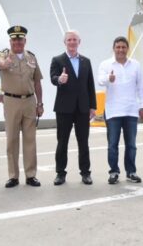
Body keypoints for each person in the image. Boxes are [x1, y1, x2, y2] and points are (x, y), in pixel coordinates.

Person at [0, 25, 44, 188]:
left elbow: (37, 81)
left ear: (25, 41)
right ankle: (13, 176)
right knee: (12, 139)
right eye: (14, 39)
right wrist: (5, 63)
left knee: (30, 139)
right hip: (11, 101)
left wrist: (40, 103)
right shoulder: (4, 54)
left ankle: (31, 175)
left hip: (29, 101)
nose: (17, 42)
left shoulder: (31, 58)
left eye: (20, 39)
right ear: (10, 41)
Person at [50, 30, 97, 185]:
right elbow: (53, 78)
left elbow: (90, 84)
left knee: (83, 142)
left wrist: (93, 106)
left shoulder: (86, 61)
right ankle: (60, 173)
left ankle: (85, 173)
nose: (72, 42)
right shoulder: (57, 60)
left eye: (74, 39)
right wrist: (60, 79)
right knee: (62, 142)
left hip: (83, 108)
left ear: (79, 42)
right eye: (69, 39)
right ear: (65, 42)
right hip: (64, 108)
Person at [97, 36, 143, 184]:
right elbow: (99, 80)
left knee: (131, 145)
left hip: (131, 110)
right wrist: (108, 79)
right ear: (113, 48)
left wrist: (142, 106)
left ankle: (131, 171)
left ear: (127, 49)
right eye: (118, 47)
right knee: (113, 144)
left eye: (123, 47)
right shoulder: (106, 64)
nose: (121, 50)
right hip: (113, 111)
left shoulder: (135, 65)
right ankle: (113, 172)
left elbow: (141, 87)